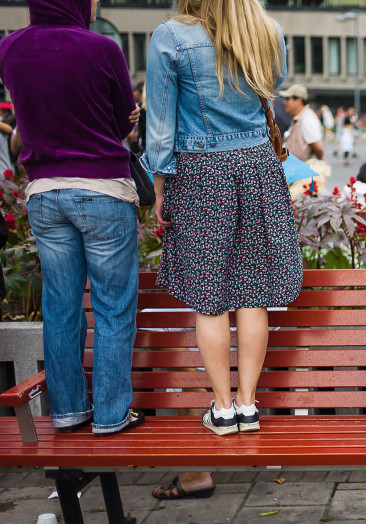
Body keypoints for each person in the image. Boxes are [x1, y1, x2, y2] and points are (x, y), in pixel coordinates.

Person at [144, 0, 303, 497]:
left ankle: (223, 407)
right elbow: (268, 100)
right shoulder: (268, 30)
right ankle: (250, 404)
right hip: (257, 165)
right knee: (252, 293)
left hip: (200, 171)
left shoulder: (171, 36)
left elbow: (161, 124)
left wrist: (161, 184)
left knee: (209, 296)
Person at [0, 0, 144, 435]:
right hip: (101, 190)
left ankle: (67, 411)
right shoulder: (102, 49)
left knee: (61, 308)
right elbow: (122, 124)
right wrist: (129, 118)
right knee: (113, 309)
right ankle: (111, 414)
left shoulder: (9, 48)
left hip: (44, 192)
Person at [280, 84, 323, 161]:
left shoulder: (307, 118)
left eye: (287, 99)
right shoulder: (301, 117)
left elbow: (319, 150)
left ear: (298, 100)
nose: (284, 102)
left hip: (302, 169)